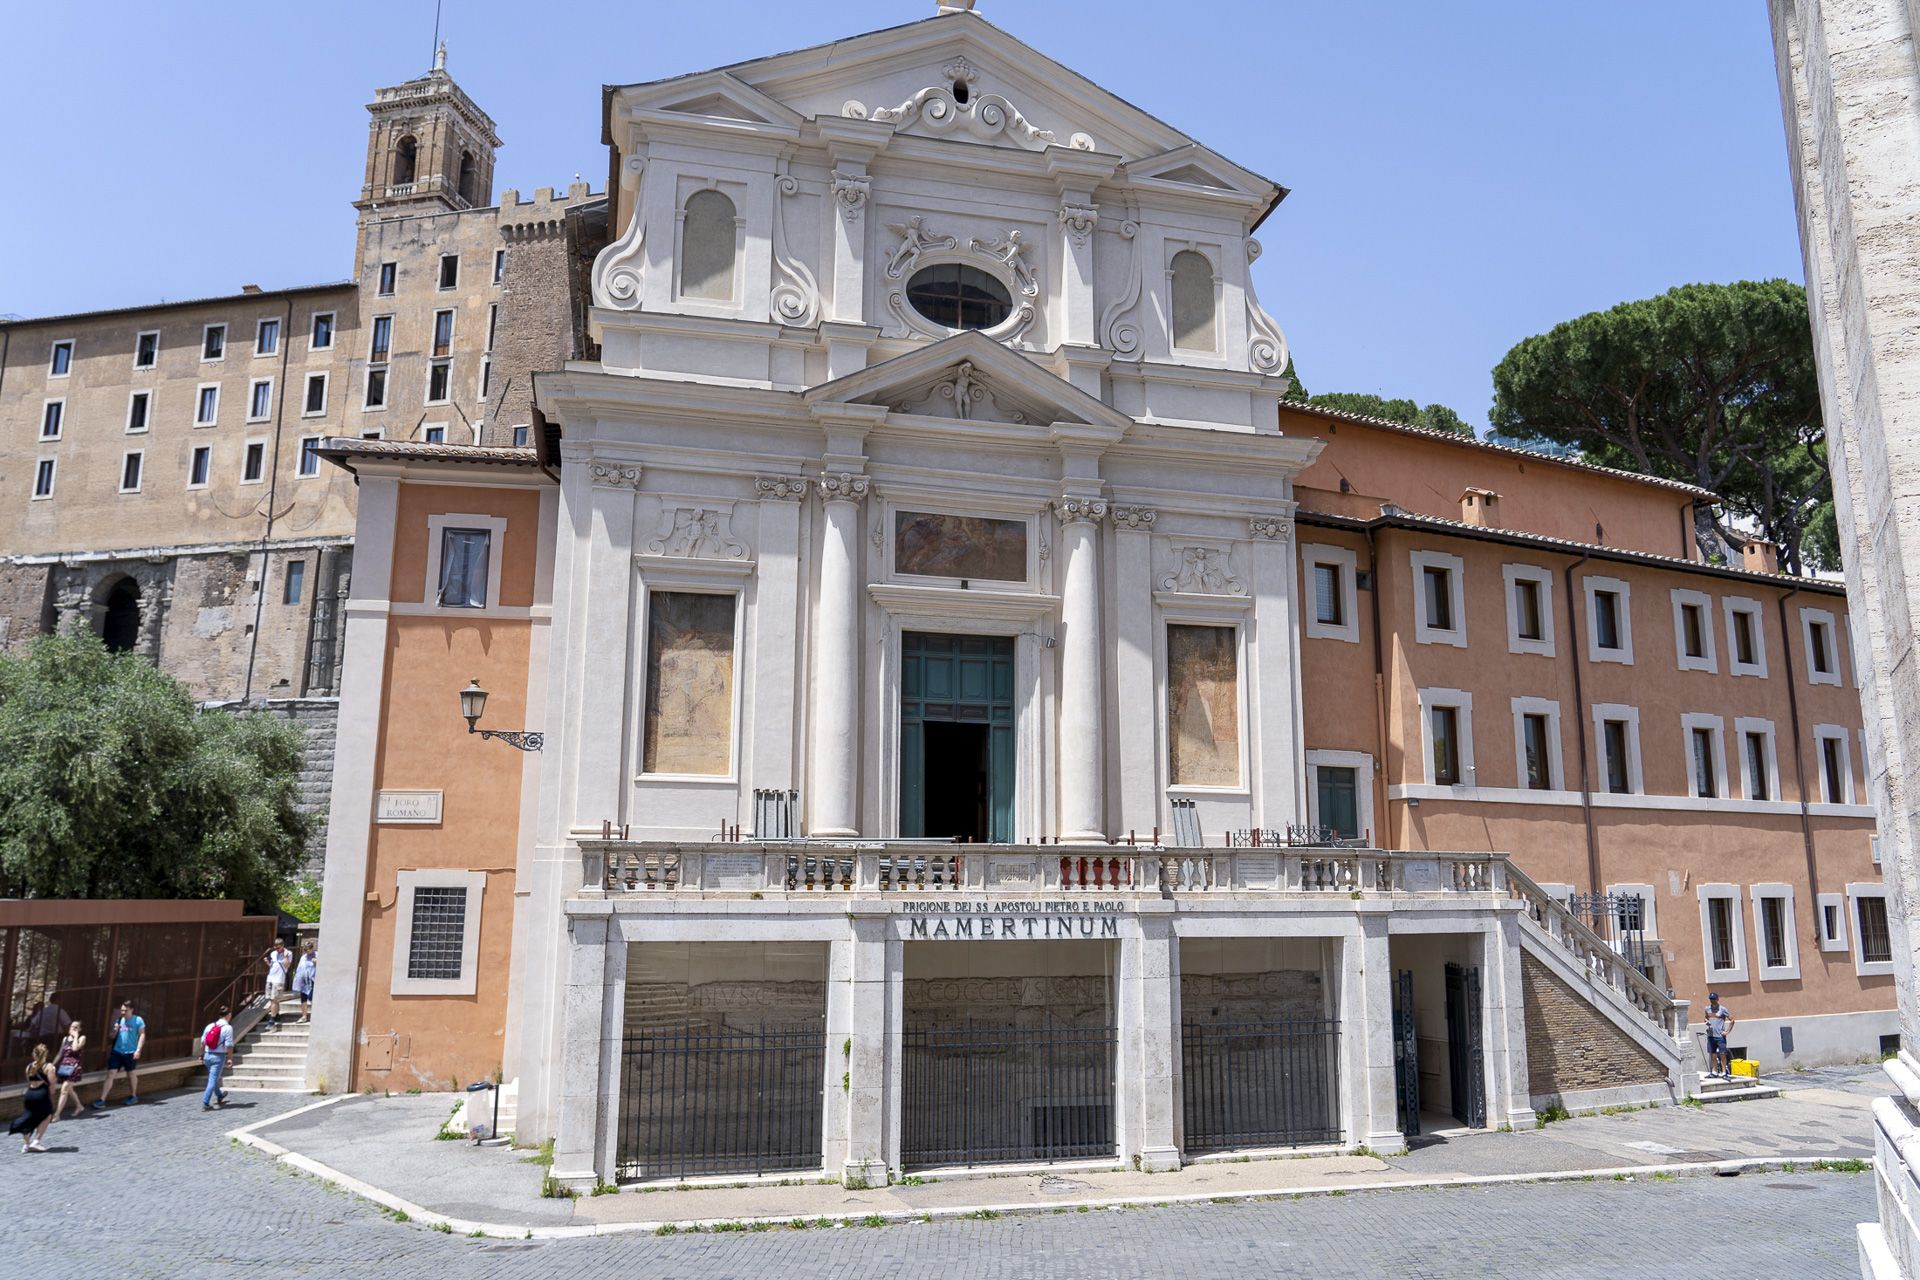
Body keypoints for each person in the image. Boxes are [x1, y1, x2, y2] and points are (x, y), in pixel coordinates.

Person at [92, 1001, 145, 1108]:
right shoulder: (120, 1020)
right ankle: (102, 1099)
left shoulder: (138, 1020)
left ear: (131, 1009)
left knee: (131, 1074)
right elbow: (111, 1036)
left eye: (125, 1010)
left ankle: (133, 1095)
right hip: (117, 1051)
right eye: (122, 1010)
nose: (123, 1012)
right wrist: (115, 1030)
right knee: (111, 1073)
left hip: (130, 1052)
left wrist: (138, 1050)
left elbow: (142, 1035)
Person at [10, 1044, 55, 1153]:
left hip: (30, 1094)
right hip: (41, 1094)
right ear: (45, 1054)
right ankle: (36, 1141)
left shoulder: (29, 1066)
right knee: (47, 1116)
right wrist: (50, 1094)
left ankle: (26, 1145)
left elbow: (29, 1081)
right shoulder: (49, 1067)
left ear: (34, 1054)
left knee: (28, 1117)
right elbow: (52, 1085)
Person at [50, 1021, 86, 1121]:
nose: (73, 1029)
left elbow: (75, 1049)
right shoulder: (65, 1039)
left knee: (64, 1088)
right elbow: (60, 1053)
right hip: (64, 1066)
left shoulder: (81, 1038)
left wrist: (75, 1036)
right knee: (69, 1089)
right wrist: (52, 1065)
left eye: (76, 1027)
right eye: (72, 1027)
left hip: (74, 1066)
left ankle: (57, 1114)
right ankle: (79, 1106)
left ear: (80, 1029)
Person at [200, 1007, 233, 1111]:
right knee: (212, 1080)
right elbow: (229, 1045)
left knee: (213, 1078)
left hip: (207, 1055)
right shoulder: (228, 1028)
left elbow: (203, 1042)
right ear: (228, 1015)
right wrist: (230, 1058)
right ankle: (205, 1103)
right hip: (218, 1056)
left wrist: (201, 1055)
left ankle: (220, 1095)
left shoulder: (210, 1025)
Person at [263, 938, 294, 1029]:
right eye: (275, 947)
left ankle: (272, 1020)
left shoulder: (288, 953)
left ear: (283, 946)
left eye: (278, 947)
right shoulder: (273, 953)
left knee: (274, 999)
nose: (277, 949)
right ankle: (276, 1014)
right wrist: (267, 962)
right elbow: (272, 965)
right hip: (270, 978)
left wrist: (285, 956)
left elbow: (287, 965)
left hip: (279, 979)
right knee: (272, 999)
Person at [1703, 993, 1736, 1079]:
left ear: (1717, 999)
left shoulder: (1723, 1009)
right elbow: (1706, 1018)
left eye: (1714, 999)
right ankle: (1714, 1072)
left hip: (1720, 1036)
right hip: (1711, 1035)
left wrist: (1727, 1031)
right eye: (1711, 999)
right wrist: (1706, 1021)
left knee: (1722, 1054)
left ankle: (1724, 1073)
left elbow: (1732, 1020)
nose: (1712, 1000)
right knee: (1713, 1054)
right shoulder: (1707, 1009)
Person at [292, 941, 317, 1024]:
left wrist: (316, 963)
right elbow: (300, 968)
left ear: (312, 948)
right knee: (303, 998)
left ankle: (315, 1016)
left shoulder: (317, 955)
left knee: (312, 998)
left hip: (313, 980)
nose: (307, 952)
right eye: (305, 950)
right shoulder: (303, 957)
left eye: (308, 950)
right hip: (303, 980)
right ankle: (304, 1016)